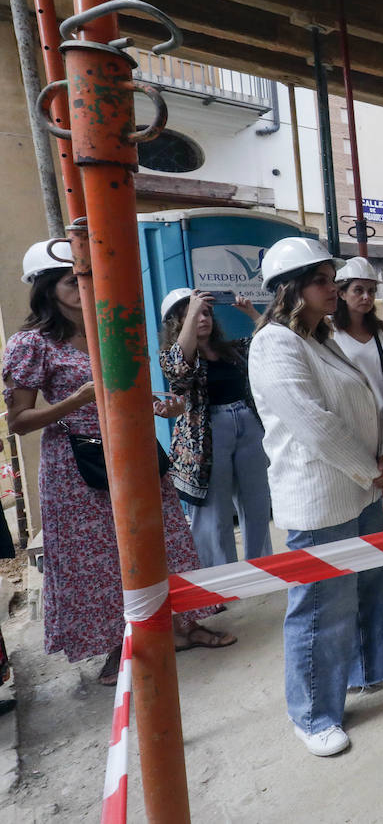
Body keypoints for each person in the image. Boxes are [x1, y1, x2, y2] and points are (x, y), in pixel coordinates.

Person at [3, 240, 234, 688]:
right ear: (49, 288)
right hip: (77, 464)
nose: (83, 288)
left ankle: (185, 625)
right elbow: (19, 421)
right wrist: (76, 399)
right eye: (74, 281)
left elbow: (126, 391)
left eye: (87, 280)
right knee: (100, 557)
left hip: (136, 448)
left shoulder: (107, 330)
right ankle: (119, 648)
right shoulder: (32, 343)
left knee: (167, 537)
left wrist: (158, 406)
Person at [249, 236, 383, 757]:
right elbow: (313, 424)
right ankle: (313, 713)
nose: (333, 287)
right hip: (322, 498)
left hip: (358, 488)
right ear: (289, 289)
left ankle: (367, 671)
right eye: (321, 280)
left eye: (330, 278)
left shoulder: (319, 338)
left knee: (368, 587)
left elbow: (364, 397)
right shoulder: (275, 343)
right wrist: (370, 469)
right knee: (321, 607)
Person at [159, 287, 272, 567]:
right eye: (194, 315)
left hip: (248, 425)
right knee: (214, 511)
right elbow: (178, 371)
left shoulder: (231, 350)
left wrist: (250, 311)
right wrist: (194, 308)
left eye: (207, 313)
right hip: (207, 435)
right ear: (178, 324)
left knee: (256, 503)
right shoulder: (173, 356)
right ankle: (219, 582)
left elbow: (270, 342)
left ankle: (263, 570)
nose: (203, 319)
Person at [331, 258, 383, 458]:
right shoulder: (329, 330)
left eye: (371, 290)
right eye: (358, 290)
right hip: (350, 419)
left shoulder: (382, 329)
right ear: (341, 293)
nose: (366, 296)